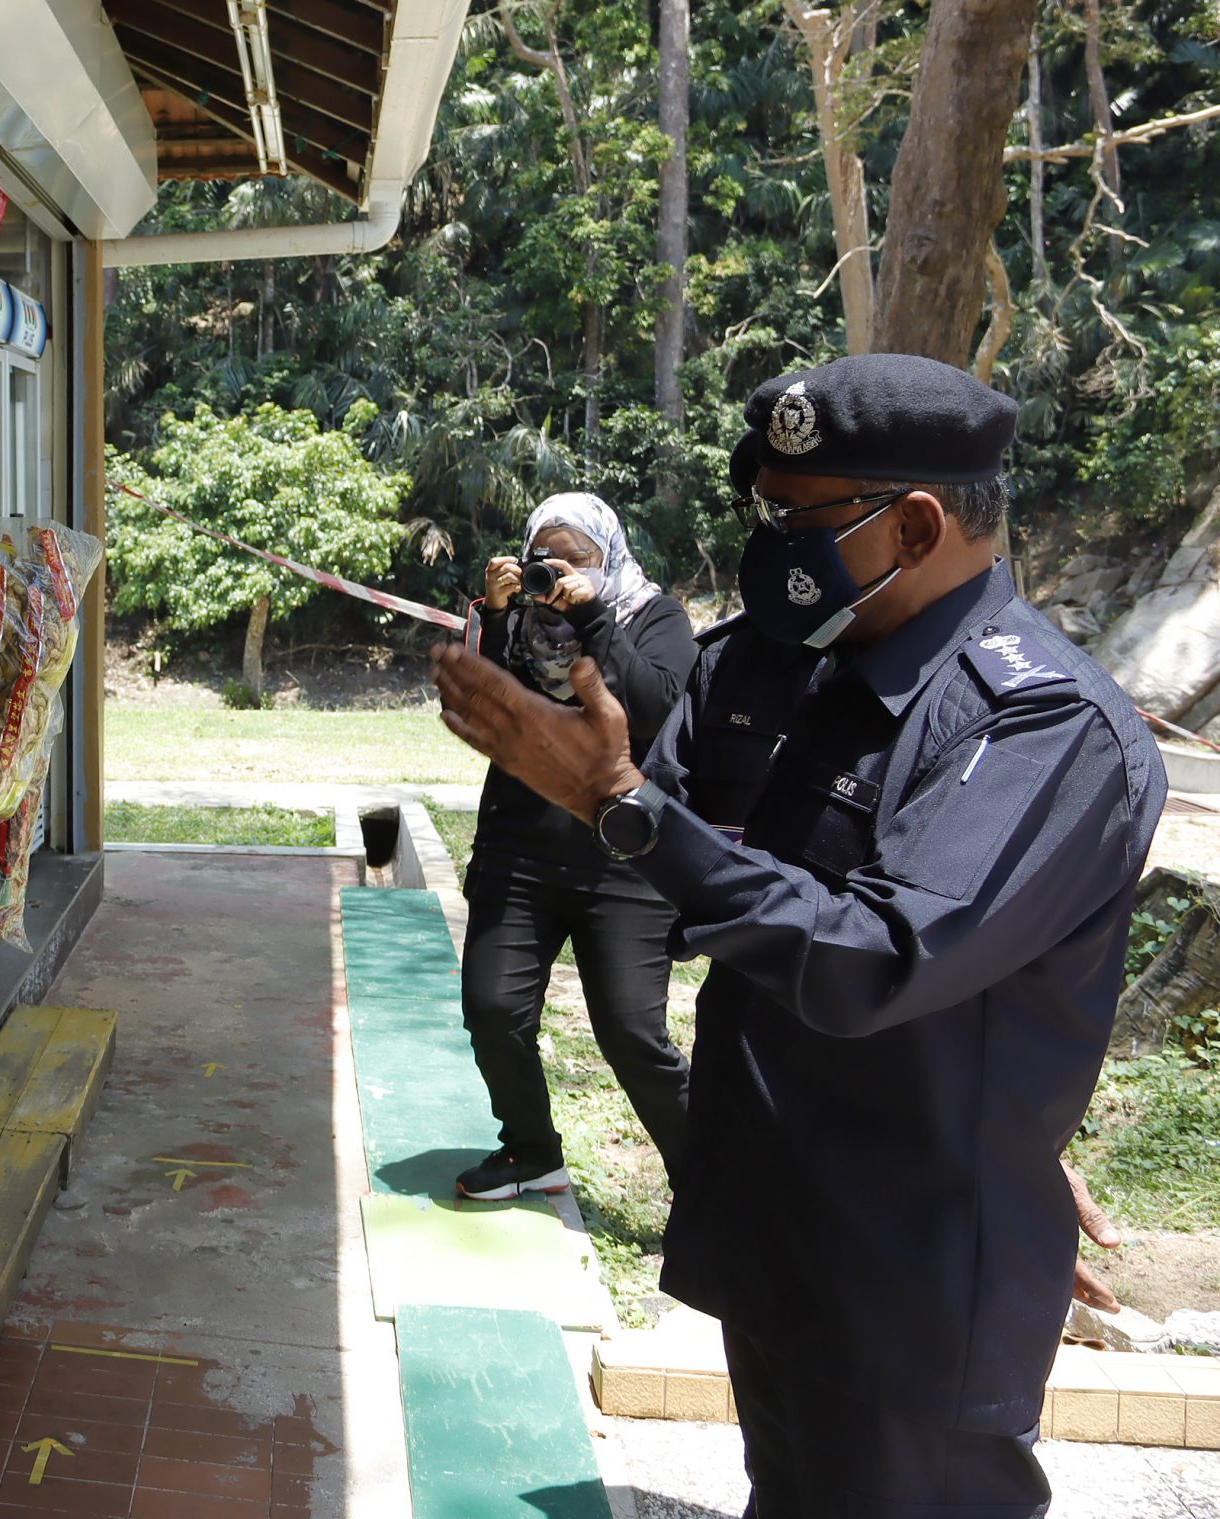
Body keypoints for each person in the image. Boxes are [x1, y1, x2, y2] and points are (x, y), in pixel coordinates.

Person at [432, 352, 1165, 1518]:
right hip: (777, 1224)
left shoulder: (1040, 724)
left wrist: (616, 802)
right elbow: (673, 872)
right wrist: (590, 785)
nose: (771, 540)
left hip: (910, 1267)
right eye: (762, 508)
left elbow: (872, 955)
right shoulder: (775, 676)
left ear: (917, 525)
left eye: (800, 517)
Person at [457, 494, 695, 1200]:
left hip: (625, 864)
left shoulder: (656, 617)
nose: (557, 570)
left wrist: (593, 618)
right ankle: (530, 1150)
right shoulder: (514, 621)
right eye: (543, 557)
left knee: (630, 1033)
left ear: (609, 556)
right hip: (519, 854)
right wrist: (500, 617)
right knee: (492, 1009)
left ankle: (708, 1185)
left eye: (577, 557)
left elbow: (655, 710)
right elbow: (484, 708)